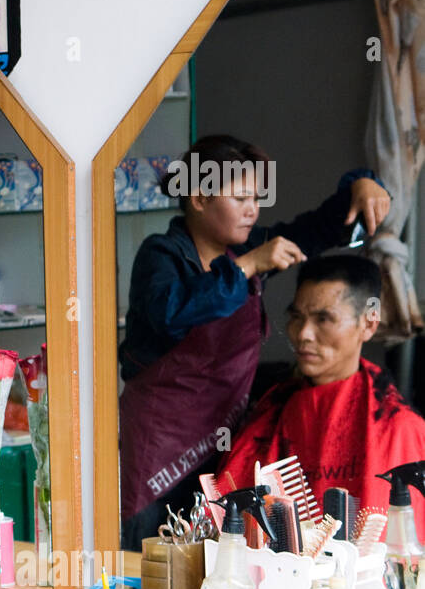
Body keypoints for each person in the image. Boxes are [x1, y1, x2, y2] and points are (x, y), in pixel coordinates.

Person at [118, 135, 391, 549]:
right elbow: (172, 312)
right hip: (161, 450)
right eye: (241, 197)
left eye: (257, 197)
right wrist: (250, 264)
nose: (253, 209)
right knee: (154, 557)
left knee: (212, 557)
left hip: (225, 441)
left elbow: (316, 229)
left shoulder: (246, 250)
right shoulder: (161, 256)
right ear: (198, 198)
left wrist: (362, 182)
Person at [217, 256, 425, 541]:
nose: (303, 334)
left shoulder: (398, 426)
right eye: (297, 317)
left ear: (368, 324)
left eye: (324, 319)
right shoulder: (271, 412)